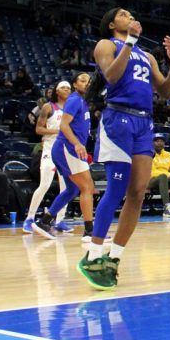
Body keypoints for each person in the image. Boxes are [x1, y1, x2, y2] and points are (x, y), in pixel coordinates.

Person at [78, 7, 170, 290]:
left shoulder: (147, 56)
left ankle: (114, 257)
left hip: (144, 123)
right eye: (123, 14)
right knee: (117, 189)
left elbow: (166, 92)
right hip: (118, 118)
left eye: (132, 14)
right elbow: (111, 76)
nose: (130, 16)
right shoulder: (106, 44)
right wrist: (130, 41)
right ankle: (93, 254)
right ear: (112, 23)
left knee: (138, 191)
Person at [38, 72, 97, 239]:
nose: (86, 83)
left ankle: (44, 221)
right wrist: (77, 144)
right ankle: (89, 231)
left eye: (89, 81)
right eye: (82, 80)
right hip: (68, 148)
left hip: (66, 149)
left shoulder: (82, 101)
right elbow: (64, 125)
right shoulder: (74, 100)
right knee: (87, 188)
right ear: (75, 85)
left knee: (72, 189)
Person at [23, 81, 71, 235]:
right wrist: (58, 131)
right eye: (63, 88)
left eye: (69, 88)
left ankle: (59, 220)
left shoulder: (71, 108)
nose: (67, 90)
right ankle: (30, 218)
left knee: (66, 188)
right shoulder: (48, 107)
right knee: (44, 184)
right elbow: (38, 129)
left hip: (65, 150)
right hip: (50, 149)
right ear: (57, 91)